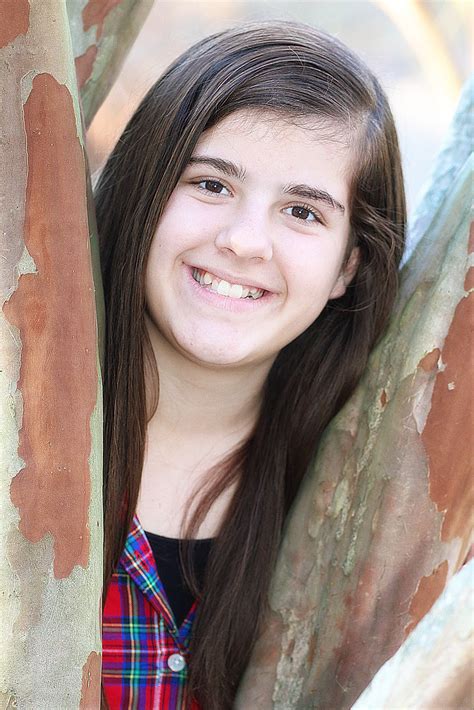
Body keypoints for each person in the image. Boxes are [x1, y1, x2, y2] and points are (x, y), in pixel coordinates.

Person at [95, 20, 406, 710]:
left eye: (302, 211)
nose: (243, 241)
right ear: (145, 191)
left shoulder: (360, 505)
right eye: (211, 185)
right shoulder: (17, 446)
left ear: (347, 267)